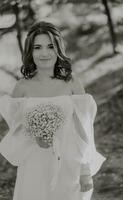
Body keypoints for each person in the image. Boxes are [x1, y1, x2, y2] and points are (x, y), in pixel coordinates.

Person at [0, 21, 105, 200]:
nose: (44, 53)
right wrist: (34, 137)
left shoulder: (72, 83)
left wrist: (85, 169)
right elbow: (16, 132)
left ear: (58, 48)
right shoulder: (22, 88)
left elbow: (84, 128)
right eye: (37, 47)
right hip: (34, 165)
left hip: (69, 163)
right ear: (30, 52)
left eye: (50, 46)